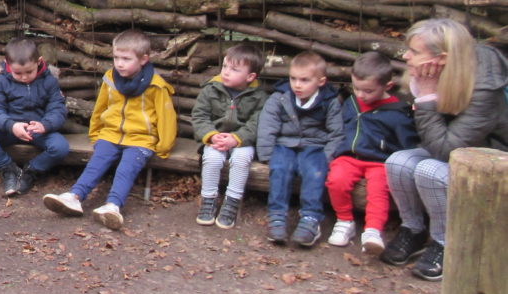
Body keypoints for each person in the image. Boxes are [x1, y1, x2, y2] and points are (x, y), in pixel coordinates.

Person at [382, 18, 508, 281]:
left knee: (429, 169)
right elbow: (437, 139)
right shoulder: (442, 73)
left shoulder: (485, 88)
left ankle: (444, 242)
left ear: (442, 58)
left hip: (496, 162)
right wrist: (425, 92)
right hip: (460, 150)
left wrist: (426, 95)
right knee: (397, 162)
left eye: (415, 52)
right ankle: (413, 230)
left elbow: (444, 151)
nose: (406, 56)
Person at [42, 29, 176, 230]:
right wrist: (95, 134)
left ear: (143, 60)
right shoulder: (110, 79)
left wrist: (163, 147)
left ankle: (112, 206)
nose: (119, 63)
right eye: (116, 57)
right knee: (97, 162)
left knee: (125, 169)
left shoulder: (156, 86)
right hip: (110, 134)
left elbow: (166, 118)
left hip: (140, 139)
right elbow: (100, 108)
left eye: (126, 58)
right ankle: (74, 196)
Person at [324, 51, 419, 256]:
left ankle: (373, 230)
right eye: (356, 88)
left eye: (368, 91)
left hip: (380, 161)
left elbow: (407, 143)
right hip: (348, 157)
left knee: (378, 190)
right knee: (336, 180)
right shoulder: (351, 103)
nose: (360, 95)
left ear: (387, 86)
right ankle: (344, 221)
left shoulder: (397, 112)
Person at [256, 51, 344, 247]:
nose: (297, 84)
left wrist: (327, 158)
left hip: (315, 147)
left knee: (314, 172)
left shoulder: (329, 102)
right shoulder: (280, 98)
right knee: (279, 168)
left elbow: (336, 133)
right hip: (284, 145)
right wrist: (267, 154)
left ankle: (311, 218)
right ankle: (277, 216)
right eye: (293, 78)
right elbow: (267, 125)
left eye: (304, 80)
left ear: (321, 81)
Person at [0, 37, 69, 198]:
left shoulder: (49, 81)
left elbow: (57, 108)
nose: (24, 77)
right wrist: (11, 125)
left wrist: (45, 125)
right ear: (7, 64)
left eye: (29, 72)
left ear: (39, 61)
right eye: (18, 73)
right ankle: (8, 168)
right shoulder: (0, 81)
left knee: (60, 147)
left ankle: (31, 171)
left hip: (36, 131)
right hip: (9, 129)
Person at [188, 43, 269, 229]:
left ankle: (232, 201)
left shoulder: (259, 97)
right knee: (212, 158)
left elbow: (257, 124)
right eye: (225, 66)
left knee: (241, 159)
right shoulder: (211, 89)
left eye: (234, 69)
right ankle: (208, 199)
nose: (226, 72)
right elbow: (199, 116)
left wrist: (237, 138)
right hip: (216, 139)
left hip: (243, 141)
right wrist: (211, 136)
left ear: (250, 77)